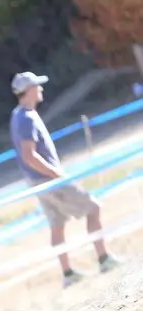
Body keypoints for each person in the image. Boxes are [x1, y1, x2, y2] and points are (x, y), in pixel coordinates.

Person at [8, 71, 123, 287]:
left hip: (36, 182)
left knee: (57, 224)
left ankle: (68, 274)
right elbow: (28, 154)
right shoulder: (26, 117)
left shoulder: (17, 116)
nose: (41, 89)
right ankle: (103, 258)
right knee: (93, 208)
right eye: (37, 86)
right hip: (48, 180)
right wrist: (57, 175)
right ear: (29, 90)